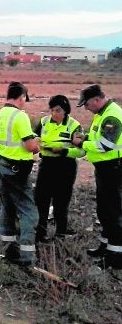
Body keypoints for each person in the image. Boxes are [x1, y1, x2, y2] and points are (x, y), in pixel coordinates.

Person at [0, 81, 40, 266]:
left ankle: (7, 248)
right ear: (21, 97)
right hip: (17, 170)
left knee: (8, 206)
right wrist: (38, 144)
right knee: (29, 212)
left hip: (2, 165)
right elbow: (30, 146)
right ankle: (27, 256)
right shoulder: (20, 116)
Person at [72, 84, 122, 269]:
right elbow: (96, 140)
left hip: (114, 169)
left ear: (97, 100)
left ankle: (115, 257)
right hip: (104, 168)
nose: (85, 108)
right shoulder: (101, 114)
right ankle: (105, 247)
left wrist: (82, 142)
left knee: (114, 212)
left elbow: (105, 145)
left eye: (86, 104)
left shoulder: (111, 116)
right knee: (104, 210)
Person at [34, 95, 85, 243]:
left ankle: (60, 235)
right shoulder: (43, 122)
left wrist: (63, 151)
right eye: (52, 110)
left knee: (61, 203)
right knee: (41, 201)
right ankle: (40, 234)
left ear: (65, 111)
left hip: (65, 166)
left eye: (58, 110)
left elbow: (81, 151)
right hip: (47, 165)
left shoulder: (74, 125)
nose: (54, 114)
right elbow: (34, 139)